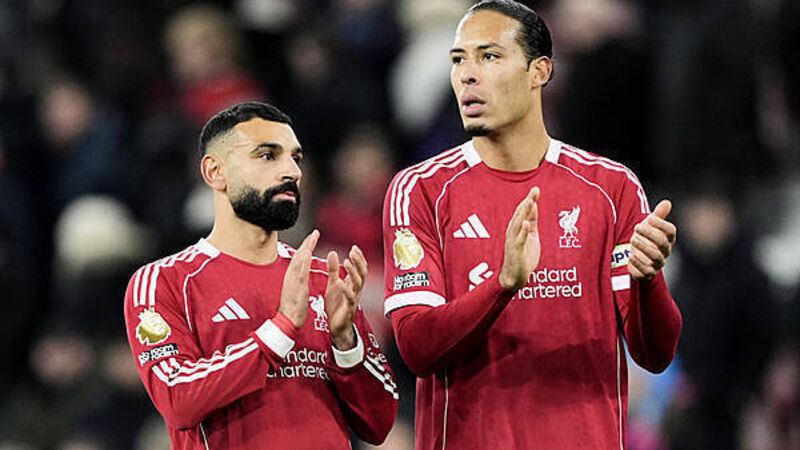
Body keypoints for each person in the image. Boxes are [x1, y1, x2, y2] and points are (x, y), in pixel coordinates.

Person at [381, 1, 682, 449]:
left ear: (539, 71)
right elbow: (416, 347)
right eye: (459, 60)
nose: (467, 75)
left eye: (489, 56)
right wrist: (501, 285)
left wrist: (648, 280)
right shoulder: (420, 190)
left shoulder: (610, 188)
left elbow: (654, 354)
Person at [124, 102, 398, 449]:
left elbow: (378, 423)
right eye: (268, 156)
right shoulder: (164, 282)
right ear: (215, 172)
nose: (292, 171)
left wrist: (346, 342)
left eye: (295, 158)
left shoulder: (323, 278)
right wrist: (281, 329)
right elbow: (178, 398)